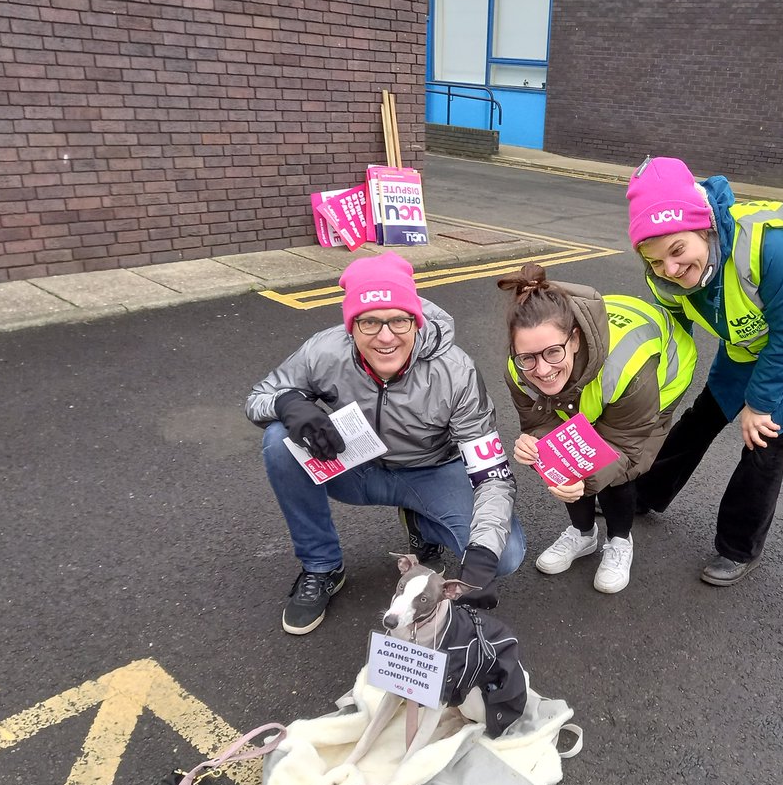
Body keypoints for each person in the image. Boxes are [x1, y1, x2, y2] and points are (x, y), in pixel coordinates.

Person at [246, 251, 525, 634]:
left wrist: (481, 556)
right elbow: (259, 395)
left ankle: (423, 522)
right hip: (354, 465)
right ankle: (322, 567)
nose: (385, 336)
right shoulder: (323, 351)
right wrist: (289, 403)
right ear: (351, 326)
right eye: (369, 322)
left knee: (504, 555)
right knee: (279, 439)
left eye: (398, 320)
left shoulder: (456, 371)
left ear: (416, 320)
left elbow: (492, 473)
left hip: (432, 470)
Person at [625, 156, 783, 586]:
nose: (670, 269)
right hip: (757, 332)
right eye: (655, 259)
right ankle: (645, 493)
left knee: (766, 432)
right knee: (707, 411)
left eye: (678, 250)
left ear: (705, 227)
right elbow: (672, 340)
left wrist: (759, 403)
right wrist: (652, 393)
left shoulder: (768, 245)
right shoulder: (663, 277)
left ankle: (738, 548)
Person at [498, 263, 695, 594]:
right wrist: (536, 443)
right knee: (567, 455)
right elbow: (539, 424)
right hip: (596, 382)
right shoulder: (519, 370)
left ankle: (619, 540)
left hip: (659, 379)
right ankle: (583, 534)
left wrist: (584, 478)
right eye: (528, 357)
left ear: (574, 340)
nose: (542, 370)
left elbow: (626, 450)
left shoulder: (629, 366)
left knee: (616, 472)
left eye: (552, 352)